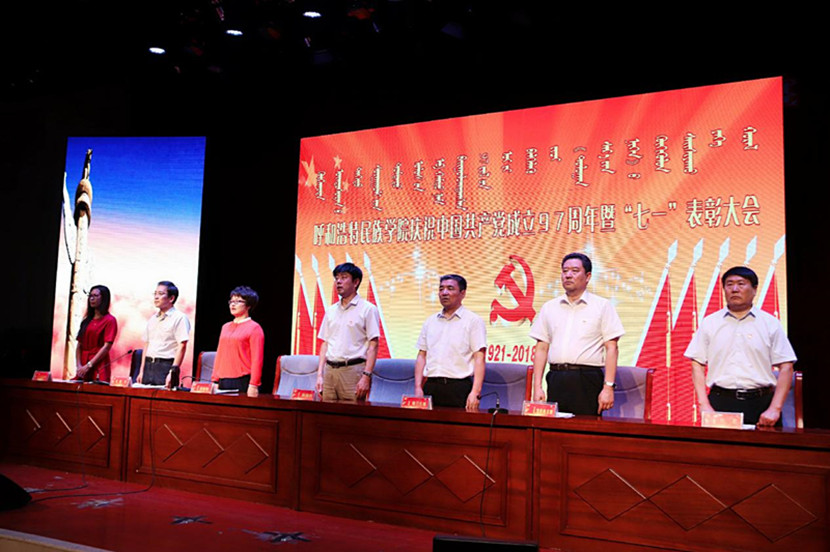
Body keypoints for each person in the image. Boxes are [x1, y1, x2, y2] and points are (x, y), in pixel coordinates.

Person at [685, 266, 797, 427]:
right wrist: (704, 405)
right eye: (729, 284)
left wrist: (775, 408)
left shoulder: (770, 323)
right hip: (720, 402)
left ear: (754, 289)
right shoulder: (710, 323)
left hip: (762, 403)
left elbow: (786, 366)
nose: (735, 289)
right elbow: (697, 363)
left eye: (741, 284)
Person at [529, 252, 624, 415]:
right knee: (553, 428)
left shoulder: (602, 306)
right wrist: (537, 387)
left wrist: (608, 387)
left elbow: (612, 348)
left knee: (585, 428)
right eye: (565, 271)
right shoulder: (549, 307)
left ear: (588, 276)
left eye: (574, 271)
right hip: (556, 377)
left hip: (586, 379)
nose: (568, 275)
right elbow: (541, 348)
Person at [413, 274, 486, 412]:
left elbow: (479, 357)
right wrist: (418, 387)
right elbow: (422, 355)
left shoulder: (473, 321)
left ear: (462, 293)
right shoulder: (430, 321)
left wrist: (475, 392)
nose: (444, 293)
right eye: (441, 289)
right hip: (431, 386)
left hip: (458, 388)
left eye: (450, 288)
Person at [316, 262, 380, 401]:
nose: (338, 281)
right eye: (336, 278)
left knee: (351, 413)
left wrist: (366, 376)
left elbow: (373, 345)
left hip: (353, 370)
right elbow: (325, 344)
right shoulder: (331, 310)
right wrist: (320, 374)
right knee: (327, 413)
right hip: (330, 371)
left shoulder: (368, 309)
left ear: (356, 282)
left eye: (344, 277)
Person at [212, 286, 265, 397]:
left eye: (238, 301)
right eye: (231, 301)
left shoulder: (254, 328)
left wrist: (254, 384)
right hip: (223, 380)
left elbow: (257, 359)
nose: (233, 304)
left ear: (248, 305)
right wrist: (215, 380)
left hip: (241, 380)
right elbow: (220, 354)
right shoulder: (225, 327)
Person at [136, 281, 191, 387]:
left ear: (171, 298)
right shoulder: (152, 319)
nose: (156, 297)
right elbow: (147, 344)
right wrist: (142, 371)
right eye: (155, 293)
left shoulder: (179, 318)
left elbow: (182, 346)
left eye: (161, 294)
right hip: (148, 366)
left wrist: (172, 372)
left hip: (165, 367)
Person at [74, 285, 118, 382]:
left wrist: (89, 365)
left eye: (95, 296)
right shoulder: (86, 320)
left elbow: (106, 347)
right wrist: (79, 365)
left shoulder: (110, 320)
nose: (91, 298)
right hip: (83, 364)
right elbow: (79, 345)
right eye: (90, 295)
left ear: (104, 298)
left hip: (99, 363)